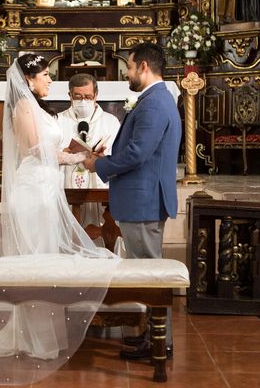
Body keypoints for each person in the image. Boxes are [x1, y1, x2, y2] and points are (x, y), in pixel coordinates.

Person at [0, 53, 119, 384]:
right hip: (32, 191)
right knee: (34, 263)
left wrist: (84, 155)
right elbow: (35, 150)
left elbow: (53, 147)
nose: (51, 80)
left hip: (45, 190)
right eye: (46, 75)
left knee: (45, 261)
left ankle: (42, 335)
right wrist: (78, 157)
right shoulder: (22, 107)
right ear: (29, 79)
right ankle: (31, 338)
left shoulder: (37, 108)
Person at [84, 42, 181, 360]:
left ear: (143, 67)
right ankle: (152, 338)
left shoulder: (154, 103)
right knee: (146, 273)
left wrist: (98, 165)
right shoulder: (157, 98)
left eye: (128, 66)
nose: (126, 72)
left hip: (144, 201)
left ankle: (159, 343)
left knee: (151, 276)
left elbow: (138, 153)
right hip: (144, 199)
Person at [56, 73, 121, 228]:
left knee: (101, 229)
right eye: (77, 97)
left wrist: (103, 156)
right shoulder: (58, 120)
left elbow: (118, 155)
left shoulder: (110, 121)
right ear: (69, 96)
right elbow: (47, 152)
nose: (83, 101)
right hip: (66, 188)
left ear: (96, 96)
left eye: (88, 96)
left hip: (99, 189)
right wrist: (64, 152)